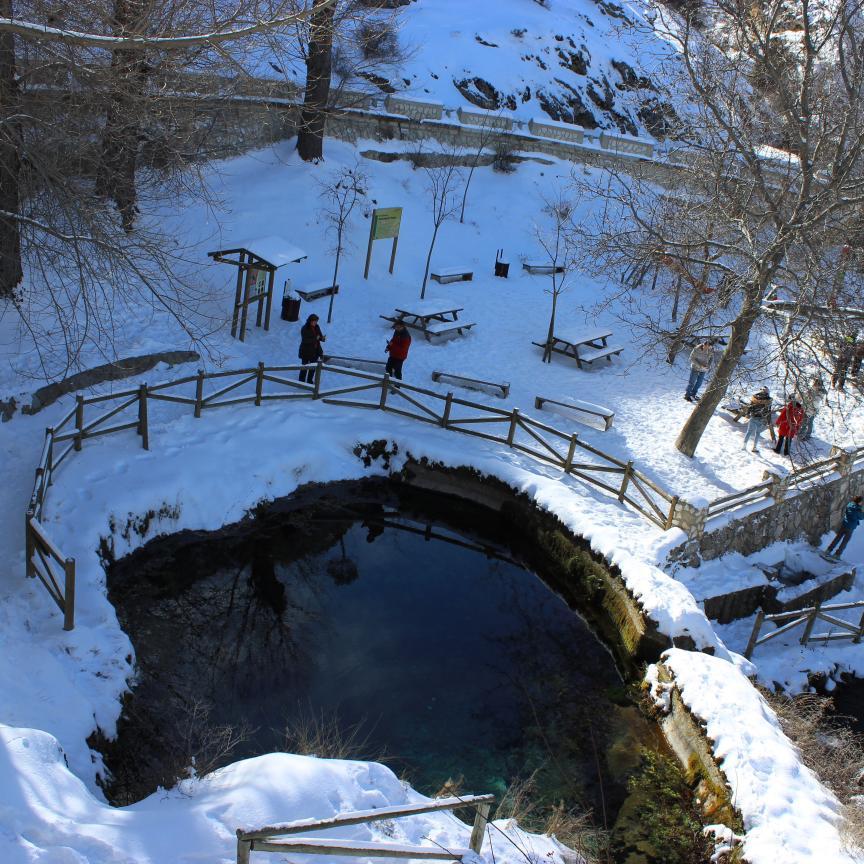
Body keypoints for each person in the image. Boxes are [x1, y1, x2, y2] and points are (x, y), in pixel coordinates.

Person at [741, 386, 772, 453]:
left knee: (749, 432)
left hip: (753, 417)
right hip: (761, 418)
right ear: (767, 391)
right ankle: (754, 447)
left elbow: (750, 407)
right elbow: (769, 411)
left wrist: (747, 414)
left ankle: (744, 446)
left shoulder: (754, 397)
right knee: (757, 433)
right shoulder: (768, 400)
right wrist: (768, 421)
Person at [797, 376, 826, 442]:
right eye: (815, 383)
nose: (815, 384)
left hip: (812, 411)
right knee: (804, 422)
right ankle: (801, 434)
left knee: (809, 423)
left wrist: (811, 398)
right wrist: (802, 396)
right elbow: (805, 396)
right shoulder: (812, 389)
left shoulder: (820, 392)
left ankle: (807, 435)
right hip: (806, 408)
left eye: (817, 383)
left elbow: (816, 403)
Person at [298, 313, 325, 383]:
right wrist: (315, 338)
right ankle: (301, 381)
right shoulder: (305, 328)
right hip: (306, 351)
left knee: (313, 367)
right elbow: (305, 340)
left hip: (315, 351)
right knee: (305, 366)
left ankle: (309, 380)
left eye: (316, 321)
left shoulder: (317, 327)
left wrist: (322, 338)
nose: (316, 323)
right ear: (310, 321)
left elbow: (319, 336)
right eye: (314, 321)